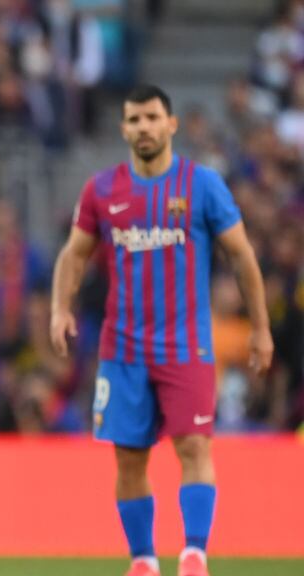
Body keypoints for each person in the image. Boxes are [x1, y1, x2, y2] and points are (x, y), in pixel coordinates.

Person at [49, 85, 274, 576]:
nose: (144, 127)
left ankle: (194, 555)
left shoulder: (202, 185)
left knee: (194, 447)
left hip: (186, 347)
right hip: (123, 350)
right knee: (129, 458)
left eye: (152, 118)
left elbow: (241, 256)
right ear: (123, 129)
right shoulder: (102, 190)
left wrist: (260, 327)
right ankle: (144, 561)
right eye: (134, 120)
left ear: (170, 125)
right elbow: (74, 254)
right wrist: (60, 310)